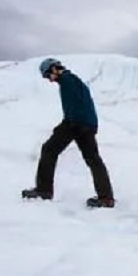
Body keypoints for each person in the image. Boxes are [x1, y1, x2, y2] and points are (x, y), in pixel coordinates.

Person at [22, 58, 116, 208]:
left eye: (47, 75)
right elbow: (83, 104)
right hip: (86, 125)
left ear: (54, 69)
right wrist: (89, 126)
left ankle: (44, 190)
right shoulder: (72, 80)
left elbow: (75, 108)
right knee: (93, 160)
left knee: (48, 149)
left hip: (77, 124)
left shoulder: (67, 81)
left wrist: (66, 126)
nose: (49, 80)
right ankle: (106, 198)